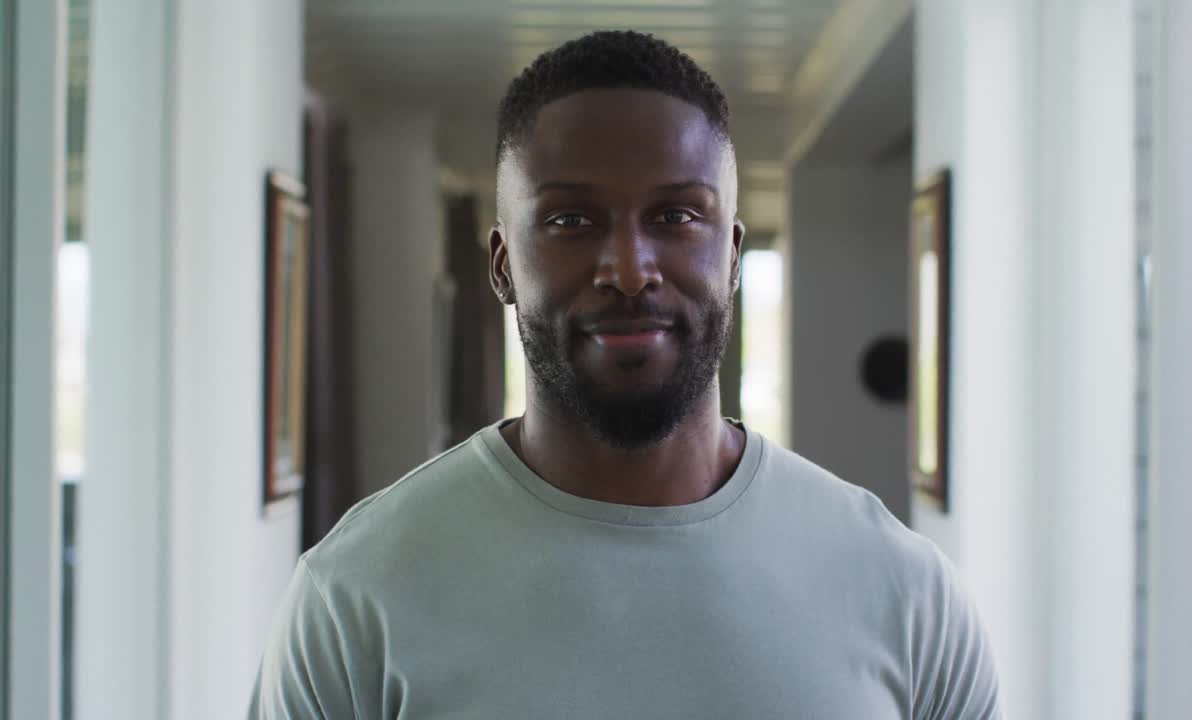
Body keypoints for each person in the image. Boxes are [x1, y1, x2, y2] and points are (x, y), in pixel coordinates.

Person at [250, 30, 1001, 719]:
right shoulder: (359, 592)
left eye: (676, 216)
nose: (630, 271)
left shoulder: (904, 595)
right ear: (503, 264)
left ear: (733, 256)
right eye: (572, 220)